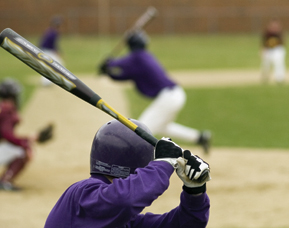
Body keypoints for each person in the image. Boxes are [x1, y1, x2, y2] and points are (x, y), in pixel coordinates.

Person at [44, 119, 210, 228]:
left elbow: (184, 225)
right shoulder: (83, 194)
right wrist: (163, 164)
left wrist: (194, 192)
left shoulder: (120, 219)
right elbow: (124, 199)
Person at [98, 30, 212, 154]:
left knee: (141, 129)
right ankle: (199, 137)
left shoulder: (139, 56)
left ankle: (140, 159)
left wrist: (108, 63)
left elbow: (119, 63)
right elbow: (122, 76)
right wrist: (109, 72)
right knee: (163, 127)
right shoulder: (140, 59)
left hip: (169, 97)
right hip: (173, 95)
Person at [0, 78, 37, 191]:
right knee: (22, 152)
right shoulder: (7, 108)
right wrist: (25, 143)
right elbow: (7, 134)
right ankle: (5, 181)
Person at [39, 15, 64, 86]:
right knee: (54, 64)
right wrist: (57, 51)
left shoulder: (50, 30)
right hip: (47, 50)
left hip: (46, 50)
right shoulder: (53, 32)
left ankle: (49, 81)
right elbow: (52, 44)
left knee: (51, 65)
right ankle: (47, 82)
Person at [260, 18, 286, 83]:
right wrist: (263, 49)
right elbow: (264, 42)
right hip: (268, 49)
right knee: (266, 64)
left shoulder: (279, 32)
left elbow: (282, 43)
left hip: (277, 49)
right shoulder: (267, 32)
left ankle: (279, 78)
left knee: (279, 63)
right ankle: (265, 77)